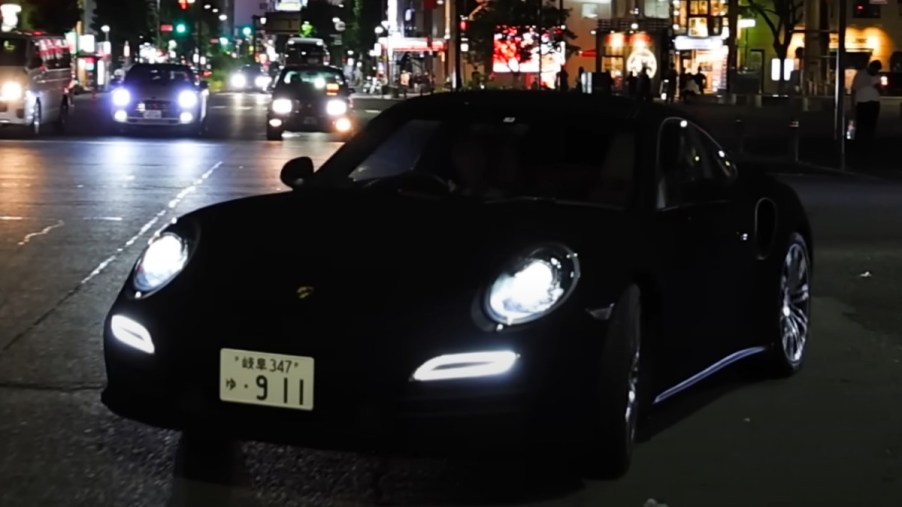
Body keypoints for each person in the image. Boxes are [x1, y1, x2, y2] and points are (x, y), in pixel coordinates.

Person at [851, 60, 882, 156]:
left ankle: (868, 145)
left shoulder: (877, 76)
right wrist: (853, 103)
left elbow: (881, 90)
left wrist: (878, 86)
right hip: (862, 103)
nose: (876, 71)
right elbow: (854, 89)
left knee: (871, 125)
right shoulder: (861, 75)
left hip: (873, 102)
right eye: (875, 69)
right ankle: (859, 147)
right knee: (861, 126)